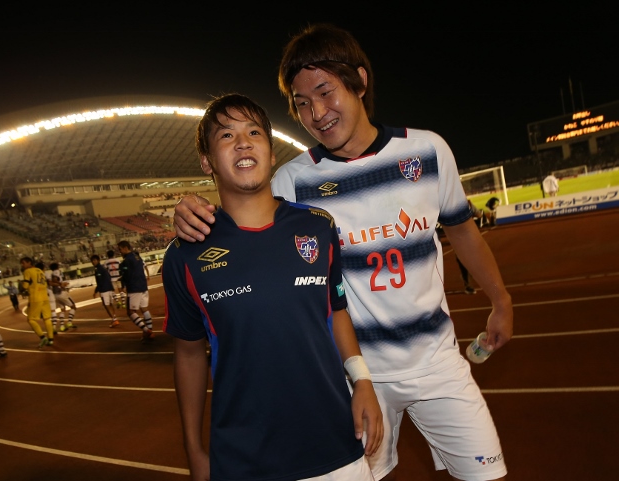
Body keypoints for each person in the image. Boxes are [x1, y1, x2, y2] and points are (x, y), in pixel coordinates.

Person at [173, 24, 513, 481]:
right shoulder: (293, 180)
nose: (316, 113)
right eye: (302, 103)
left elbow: (463, 231)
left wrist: (500, 299)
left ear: (359, 81)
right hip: (352, 377)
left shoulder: (428, 150)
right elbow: (242, 205)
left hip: (437, 361)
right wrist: (189, 210)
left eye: (325, 92)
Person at [163, 93, 382, 481]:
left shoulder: (318, 226)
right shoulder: (185, 254)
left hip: (336, 446)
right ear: (207, 161)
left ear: (270, 150)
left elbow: (336, 311)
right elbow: (189, 355)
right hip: (244, 460)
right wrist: (193, 450)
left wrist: (361, 379)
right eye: (226, 135)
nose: (243, 143)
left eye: (254, 132)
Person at [117, 240, 154, 341]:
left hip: (134, 288)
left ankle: (147, 331)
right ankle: (150, 330)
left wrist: (123, 283)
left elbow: (127, 275)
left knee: (130, 312)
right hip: (143, 286)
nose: (120, 252)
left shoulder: (126, 261)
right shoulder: (137, 257)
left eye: (120, 249)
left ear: (125, 248)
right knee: (144, 309)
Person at [20, 257, 54, 349]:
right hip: (44, 297)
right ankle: (51, 339)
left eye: (23, 263)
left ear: (29, 262)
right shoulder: (40, 271)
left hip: (35, 298)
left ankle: (42, 337)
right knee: (47, 318)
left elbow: (25, 285)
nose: (22, 265)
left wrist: (23, 288)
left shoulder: (27, 271)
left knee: (31, 320)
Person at [90, 254, 119, 327]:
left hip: (104, 290)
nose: (93, 262)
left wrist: (96, 291)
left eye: (94, 260)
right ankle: (115, 318)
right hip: (109, 288)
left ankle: (114, 320)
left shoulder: (98, 270)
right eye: (92, 261)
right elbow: (108, 277)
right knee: (110, 304)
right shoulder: (103, 268)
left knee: (106, 305)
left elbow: (100, 282)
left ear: (98, 260)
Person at [49, 262, 77, 331]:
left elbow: (53, 281)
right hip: (61, 292)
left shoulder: (51, 273)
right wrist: (61, 284)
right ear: (57, 267)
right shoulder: (57, 271)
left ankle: (62, 326)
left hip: (55, 294)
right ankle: (69, 322)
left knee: (62, 310)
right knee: (73, 307)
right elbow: (55, 279)